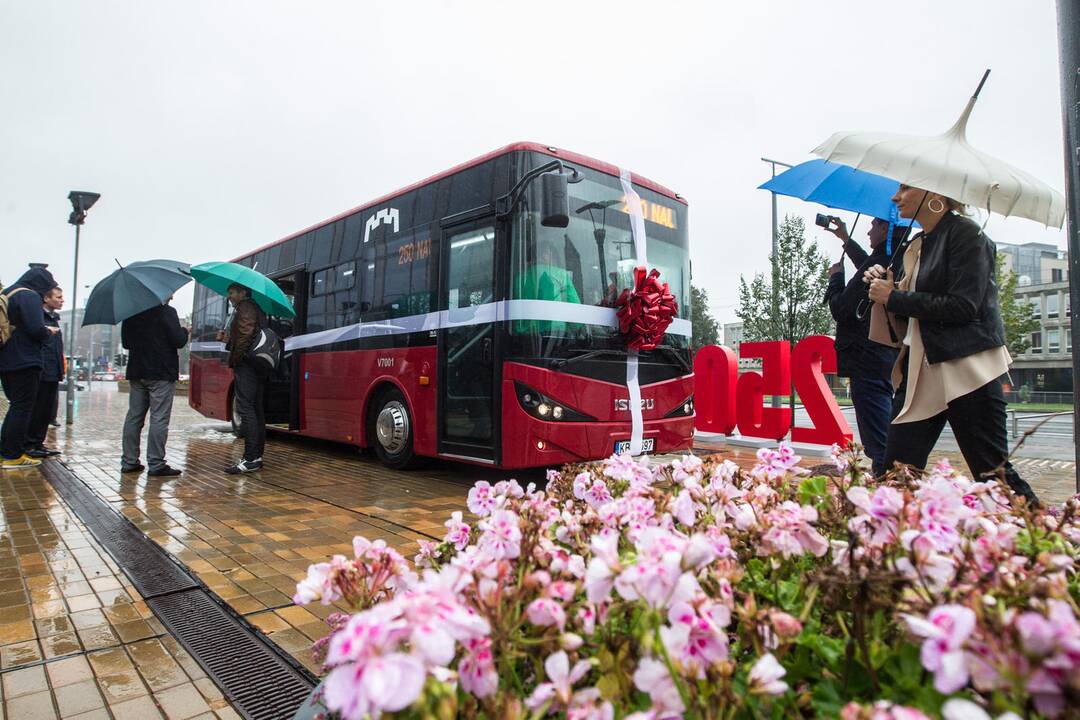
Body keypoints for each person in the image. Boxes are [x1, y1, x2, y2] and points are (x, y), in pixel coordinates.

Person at [865, 184, 1038, 504]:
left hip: (966, 369)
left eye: (905, 188)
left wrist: (894, 296)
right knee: (895, 474)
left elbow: (963, 306)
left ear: (935, 194)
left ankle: (1042, 535)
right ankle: (888, 547)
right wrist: (885, 285)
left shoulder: (968, 236)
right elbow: (909, 306)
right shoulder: (917, 244)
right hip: (922, 371)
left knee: (993, 474)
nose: (895, 196)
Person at [824, 217, 910, 474]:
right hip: (887, 357)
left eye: (874, 225)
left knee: (878, 441)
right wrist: (845, 239)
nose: (869, 230)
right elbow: (867, 263)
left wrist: (835, 279)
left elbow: (841, 309)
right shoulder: (898, 258)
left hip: (864, 358)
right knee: (886, 428)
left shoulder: (878, 263)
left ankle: (887, 489)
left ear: (886, 228)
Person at [120, 296, 189, 476]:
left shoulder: (131, 313)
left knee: (134, 417)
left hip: (138, 372)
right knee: (159, 418)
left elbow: (126, 343)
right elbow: (179, 340)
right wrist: (184, 330)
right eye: (170, 293)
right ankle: (156, 463)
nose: (172, 296)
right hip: (161, 373)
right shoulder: (167, 312)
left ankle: (129, 462)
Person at [0, 266, 60, 469]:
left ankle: (5, 452)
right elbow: (35, 328)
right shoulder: (30, 296)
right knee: (23, 408)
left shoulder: (8, 293)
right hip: (25, 359)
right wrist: (48, 332)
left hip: (6, 359)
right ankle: (13, 455)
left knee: (15, 406)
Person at [217, 283, 266, 474]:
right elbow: (247, 337)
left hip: (247, 366)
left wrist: (235, 361)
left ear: (242, 293)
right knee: (255, 409)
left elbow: (245, 336)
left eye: (231, 293)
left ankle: (251, 458)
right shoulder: (252, 307)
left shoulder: (245, 307)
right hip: (254, 365)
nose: (229, 297)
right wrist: (227, 341)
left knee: (246, 409)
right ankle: (256, 456)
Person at [25, 286, 65, 458]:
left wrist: (60, 369)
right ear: (46, 299)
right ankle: (29, 444)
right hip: (42, 371)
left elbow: (57, 348)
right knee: (37, 409)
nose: (62, 300)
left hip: (53, 371)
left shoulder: (54, 318)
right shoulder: (38, 318)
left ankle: (38, 443)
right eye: (58, 297)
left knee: (46, 411)